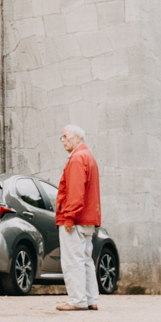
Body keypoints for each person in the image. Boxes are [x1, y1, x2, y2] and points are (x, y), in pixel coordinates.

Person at [55, 123, 103, 311]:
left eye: (66, 136)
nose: (63, 140)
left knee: (72, 260)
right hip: (88, 219)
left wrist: (69, 217)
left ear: (77, 137)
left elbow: (75, 192)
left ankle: (77, 300)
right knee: (85, 259)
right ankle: (91, 299)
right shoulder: (88, 157)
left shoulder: (76, 158)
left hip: (75, 220)